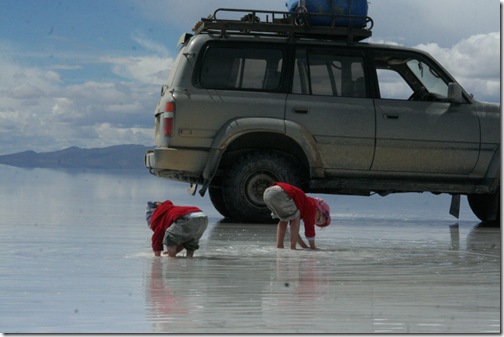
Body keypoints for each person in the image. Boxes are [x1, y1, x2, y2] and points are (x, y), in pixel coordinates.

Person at [263, 182, 331, 250]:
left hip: (267, 193)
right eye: (319, 219)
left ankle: (279, 246)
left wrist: (304, 247)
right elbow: (309, 228)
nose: (315, 221)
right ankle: (293, 248)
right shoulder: (311, 206)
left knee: (284, 219)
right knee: (295, 219)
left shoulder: (302, 204)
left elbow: (294, 231)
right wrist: (312, 247)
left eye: (317, 223)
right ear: (319, 210)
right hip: (281, 192)